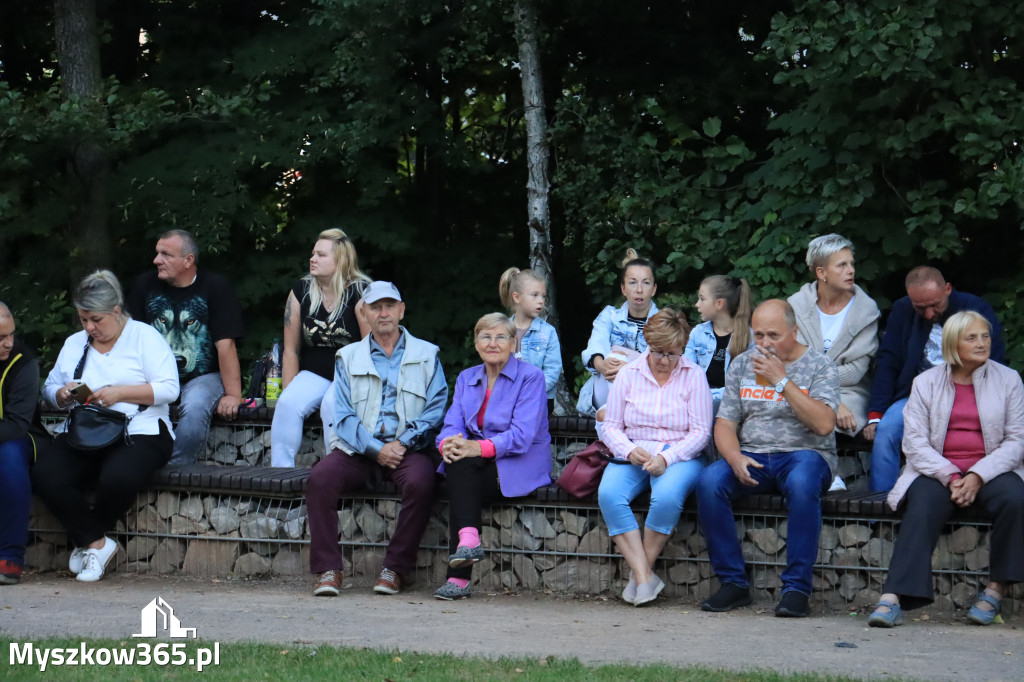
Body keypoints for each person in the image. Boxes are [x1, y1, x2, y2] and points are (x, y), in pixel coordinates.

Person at [868, 312, 1024, 627]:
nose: (982, 343)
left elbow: (1017, 441)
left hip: (991, 468)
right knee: (922, 504)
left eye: (985, 336)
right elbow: (914, 445)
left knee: (1015, 499)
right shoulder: (925, 383)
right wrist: (952, 476)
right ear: (953, 344)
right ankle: (894, 596)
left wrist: (977, 475)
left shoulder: (1009, 379)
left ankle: (995, 590)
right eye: (972, 337)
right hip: (939, 470)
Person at [32, 271, 179, 582]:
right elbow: (50, 387)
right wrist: (61, 394)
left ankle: (86, 541)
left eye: (95, 319)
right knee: (46, 474)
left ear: (116, 311)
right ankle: (97, 543)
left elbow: (169, 389)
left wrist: (120, 392)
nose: (89, 327)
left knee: (118, 477)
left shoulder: (144, 337)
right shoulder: (76, 343)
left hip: (141, 428)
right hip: (86, 428)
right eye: (83, 319)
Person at [696, 300, 839, 618]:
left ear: (795, 331)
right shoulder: (743, 364)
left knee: (803, 484)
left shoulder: (819, 366)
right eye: (758, 335)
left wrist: (781, 381)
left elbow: (824, 424)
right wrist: (733, 458)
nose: (763, 343)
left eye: (773, 335)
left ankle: (796, 589)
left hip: (806, 455)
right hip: (752, 455)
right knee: (708, 482)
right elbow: (725, 424)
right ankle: (733, 584)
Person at [306, 281, 447, 597]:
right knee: (320, 478)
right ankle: (329, 570)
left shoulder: (428, 354)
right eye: (375, 307)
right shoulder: (347, 356)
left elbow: (436, 408)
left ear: (401, 310)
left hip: (408, 448)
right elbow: (342, 415)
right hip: (359, 449)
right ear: (364, 313)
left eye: (389, 306)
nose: (383, 313)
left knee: (424, 482)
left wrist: (402, 443)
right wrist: (374, 448)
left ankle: (395, 569)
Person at [434, 313, 551, 600]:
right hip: (475, 461)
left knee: (460, 474)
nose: (493, 343)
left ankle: (459, 577)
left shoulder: (531, 377)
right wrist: (447, 445)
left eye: (501, 337)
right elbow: (452, 425)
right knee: (457, 464)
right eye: (486, 336)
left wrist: (476, 448)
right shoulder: (466, 378)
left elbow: (522, 436)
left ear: (513, 343)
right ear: (476, 343)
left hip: (517, 461)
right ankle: (469, 541)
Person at [599, 309, 712, 606]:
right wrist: (627, 450)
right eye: (658, 352)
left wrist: (668, 457)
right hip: (635, 450)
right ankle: (645, 577)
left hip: (680, 453)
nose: (664, 361)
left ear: (682, 349)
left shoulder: (694, 376)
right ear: (647, 344)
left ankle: (639, 577)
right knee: (609, 493)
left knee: (666, 496)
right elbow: (610, 426)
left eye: (673, 354)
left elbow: (701, 433)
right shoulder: (628, 373)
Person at [864, 266, 1004, 492]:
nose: (929, 313)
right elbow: (888, 362)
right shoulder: (902, 310)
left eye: (934, 305)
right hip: (916, 397)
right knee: (887, 430)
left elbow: (994, 361)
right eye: (920, 308)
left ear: (948, 289)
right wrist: (876, 413)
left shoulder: (976, 309)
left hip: (969, 396)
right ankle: (880, 510)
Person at [127, 229, 245, 465]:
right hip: (154, 375)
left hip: (202, 376)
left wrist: (233, 394)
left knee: (197, 404)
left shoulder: (216, 287)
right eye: (157, 253)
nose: (156, 260)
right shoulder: (144, 285)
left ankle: (176, 470)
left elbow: (226, 345)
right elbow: (131, 340)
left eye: (165, 254)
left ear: (188, 260)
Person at [271, 229, 371, 467]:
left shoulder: (360, 292)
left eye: (321, 255)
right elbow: (291, 350)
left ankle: (335, 473)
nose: (312, 259)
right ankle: (279, 474)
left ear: (341, 261)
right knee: (287, 403)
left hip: (350, 374)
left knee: (331, 404)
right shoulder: (301, 290)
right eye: (313, 253)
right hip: (314, 372)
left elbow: (372, 349)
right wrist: (289, 389)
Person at [789, 235, 879, 436]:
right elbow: (793, 363)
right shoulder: (797, 306)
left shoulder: (866, 311)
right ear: (821, 272)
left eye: (851, 264)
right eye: (842, 265)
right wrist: (827, 401)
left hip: (849, 391)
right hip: (799, 388)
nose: (851, 270)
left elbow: (856, 371)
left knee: (822, 418)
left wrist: (831, 400)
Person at [578, 249, 659, 422]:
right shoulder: (609, 316)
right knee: (614, 356)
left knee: (622, 359)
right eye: (632, 283)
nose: (639, 289)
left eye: (645, 283)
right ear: (623, 288)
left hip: (646, 393)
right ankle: (621, 418)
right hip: (606, 387)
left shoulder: (663, 321)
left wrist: (630, 370)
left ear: (653, 289)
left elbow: (663, 362)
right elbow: (595, 346)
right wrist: (602, 365)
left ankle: (615, 420)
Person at [0, 303, 45, 585]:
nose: (9, 343)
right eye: (0, 338)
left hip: (22, 439)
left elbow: (16, 425)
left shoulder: (24, 362)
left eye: (11, 334)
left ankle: (9, 558)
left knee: (8, 456)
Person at [684, 275, 753, 413]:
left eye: (702, 299)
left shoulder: (750, 338)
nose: (697, 304)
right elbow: (686, 373)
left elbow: (746, 386)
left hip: (733, 409)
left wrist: (706, 397)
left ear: (719, 304)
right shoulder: (698, 333)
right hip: (696, 406)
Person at [498, 267, 562, 407]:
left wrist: (528, 392)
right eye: (534, 295)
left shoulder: (548, 332)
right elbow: (495, 366)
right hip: (508, 398)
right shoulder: (502, 330)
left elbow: (552, 370)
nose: (541, 301)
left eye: (543, 296)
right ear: (517, 297)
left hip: (539, 399)